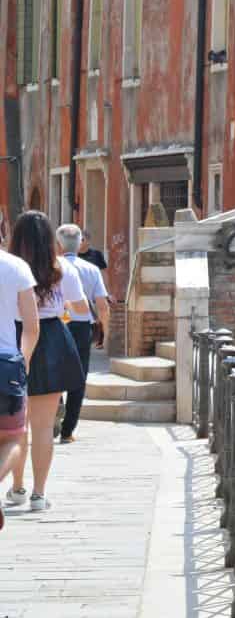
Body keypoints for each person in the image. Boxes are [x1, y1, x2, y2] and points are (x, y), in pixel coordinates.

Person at [5, 212, 86, 513]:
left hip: (13, 339)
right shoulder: (61, 268)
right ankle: (39, 494)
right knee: (42, 426)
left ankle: (17, 488)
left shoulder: (10, 267)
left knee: (16, 427)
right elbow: (80, 306)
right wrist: (60, 302)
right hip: (52, 338)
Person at [56, 224, 109, 444]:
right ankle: (67, 431)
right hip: (81, 327)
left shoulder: (50, 267)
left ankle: (54, 410)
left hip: (54, 325)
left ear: (59, 244)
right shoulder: (91, 270)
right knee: (79, 376)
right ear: (80, 244)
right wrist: (104, 330)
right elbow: (102, 306)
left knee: (53, 371)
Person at [0, 242, 34, 529]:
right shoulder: (15, 267)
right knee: (12, 438)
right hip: (5, 365)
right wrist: (23, 362)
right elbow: (32, 327)